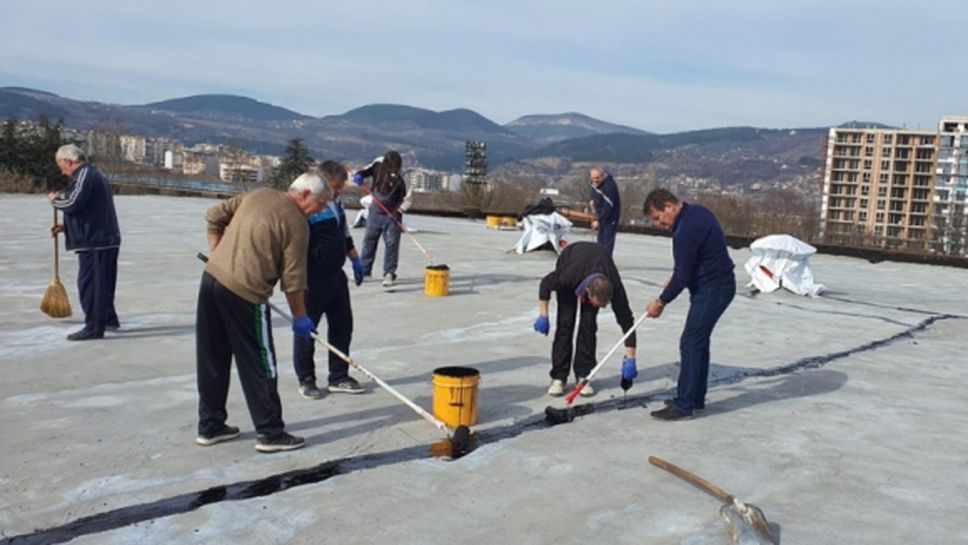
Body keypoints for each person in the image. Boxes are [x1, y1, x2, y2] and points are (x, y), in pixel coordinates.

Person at [195, 173, 327, 453]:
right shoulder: (297, 223)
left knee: (212, 357)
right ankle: (270, 432)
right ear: (304, 194)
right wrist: (301, 317)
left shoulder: (258, 194)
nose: (321, 210)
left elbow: (214, 216)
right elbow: (293, 281)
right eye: (320, 203)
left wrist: (218, 253)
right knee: (260, 362)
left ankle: (211, 425)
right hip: (246, 294)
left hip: (211, 280)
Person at [643, 188, 735, 421]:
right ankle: (695, 398)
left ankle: (684, 406)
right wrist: (677, 278)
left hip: (713, 288)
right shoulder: (697, 212)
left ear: (669, 207)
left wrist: (661, 302)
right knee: (699, 341)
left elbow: (683, 274)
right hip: (715, 285)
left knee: (691, 341)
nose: (659, 224)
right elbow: (691, 264)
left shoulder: (685, 230)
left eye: (658, 218)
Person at [292, 161, 366, 399]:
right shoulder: (308, 207)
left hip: (336, 276)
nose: (338, 191)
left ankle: (339, 376)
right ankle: (306, 379)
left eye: (341, 187)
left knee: (342, 326)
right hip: (313, 279)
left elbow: (344, 235)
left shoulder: (336, 204)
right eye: (335, 187)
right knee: (308, 331)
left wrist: (355, 259)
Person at [533, 241, 637, 397]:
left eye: (605, 304)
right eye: (599, 304)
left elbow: (627, 320)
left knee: (588, 326)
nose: (603, 307)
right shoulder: (568, 276)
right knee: (565, 324)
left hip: (597, 261)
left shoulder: (614, 285)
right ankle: (559, 377)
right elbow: (545, 284)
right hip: (572, 259)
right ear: (588, 292)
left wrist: (630, 357)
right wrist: (543, 315)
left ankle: (583, 374)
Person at [47, 144, 121, 341]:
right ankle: (108, 319)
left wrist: (55, 200)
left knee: (91, 286)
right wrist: (67, 227)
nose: (61, 171)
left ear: (68, 161)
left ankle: (94, 327)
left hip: (96, 241)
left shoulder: (84, 175)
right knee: (103, 284)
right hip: (103, 239)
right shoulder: (92, 174)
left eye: (60, 165)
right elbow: (90, 209)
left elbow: (73, 203)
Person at [353, 151, 409, 287]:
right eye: (390, 168)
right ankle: (365, 271)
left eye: (395, 169)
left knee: (391, 244)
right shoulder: (378, 164)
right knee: (369, 240)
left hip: (392, 213)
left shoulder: (404, 178)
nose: (393, 171)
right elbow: (365, 171)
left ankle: (389, 273)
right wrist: (359, 175)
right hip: (376, 210)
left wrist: (397, 213)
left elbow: (407, 199)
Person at [588, 167, 621, 255]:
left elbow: (608, 207)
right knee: (600, 241)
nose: (595, 180)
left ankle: (606, 260)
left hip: (610, 218)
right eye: (593, 178)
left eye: (597, 178)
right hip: (600, 215)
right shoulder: (595, 183)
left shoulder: (609, 186)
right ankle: (599, 258)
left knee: (607, 242)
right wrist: (593, 203)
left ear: (603, 176)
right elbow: (594, 193)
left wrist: (599, 220)